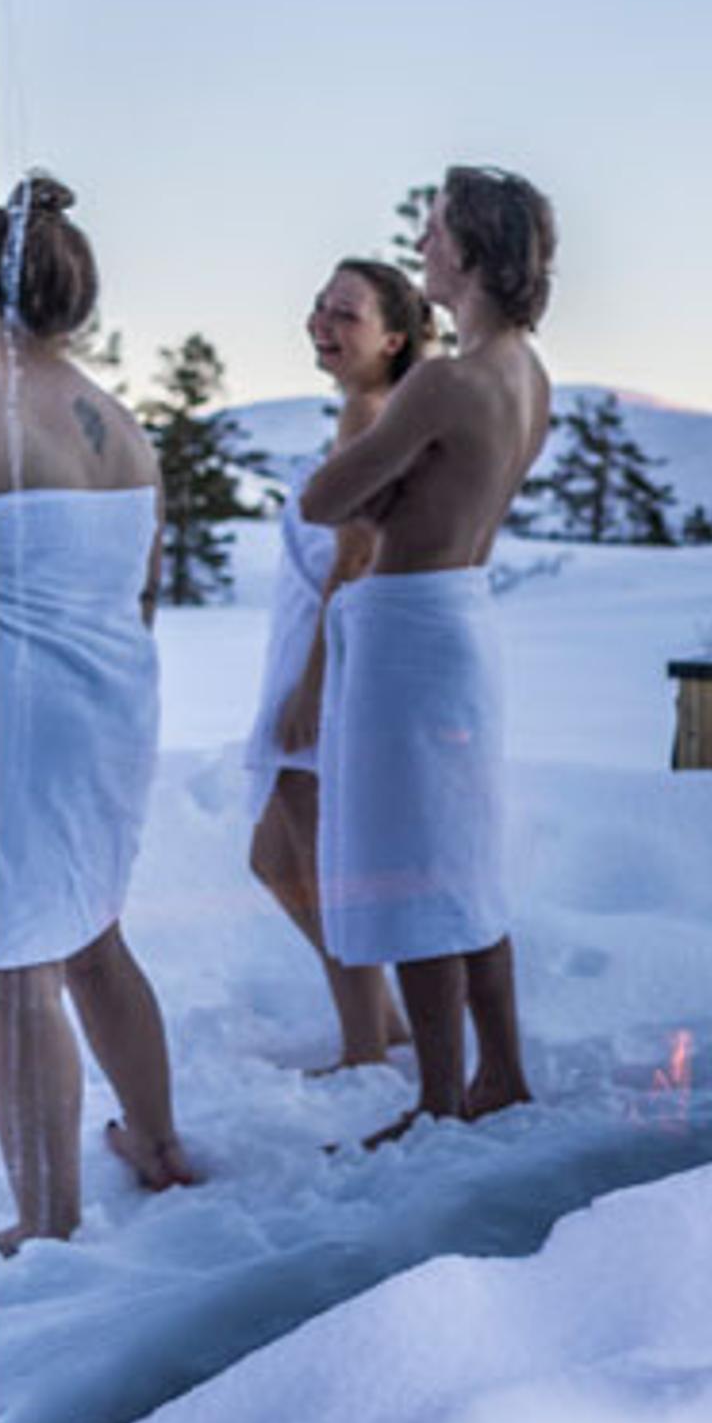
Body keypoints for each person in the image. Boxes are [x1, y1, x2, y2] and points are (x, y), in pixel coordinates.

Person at [299, 165, 553, 1148]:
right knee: (466, 857)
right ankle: (504, 1070)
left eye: (435, 232)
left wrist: (380, 493)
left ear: (474, 252)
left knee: (410, 865)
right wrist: (399, 494)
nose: (421, 248)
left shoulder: (448, 379)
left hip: (410, 628)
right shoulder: (529, 371)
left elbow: (325, 497)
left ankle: (441, 1098)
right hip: (465, 614)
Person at [0, 172, 200, 1246]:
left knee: (13, 969)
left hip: (24, 715)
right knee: (95, 935)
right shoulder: (127, 428)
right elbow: (145, 588)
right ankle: (155, 1139)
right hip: (114, 703)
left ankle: (48, 1215)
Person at [247, 258, 427, 1071]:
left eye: (345, 313)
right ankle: (379, 1018)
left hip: (331, 654)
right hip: (306, 643)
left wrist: (316, 682)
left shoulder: (371, 417)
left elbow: (356, 552)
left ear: (394, 337)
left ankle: (366, 1042)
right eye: (320, 306)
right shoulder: (360, 411)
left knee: (319, 858)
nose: (322, 322)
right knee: (275, 856)